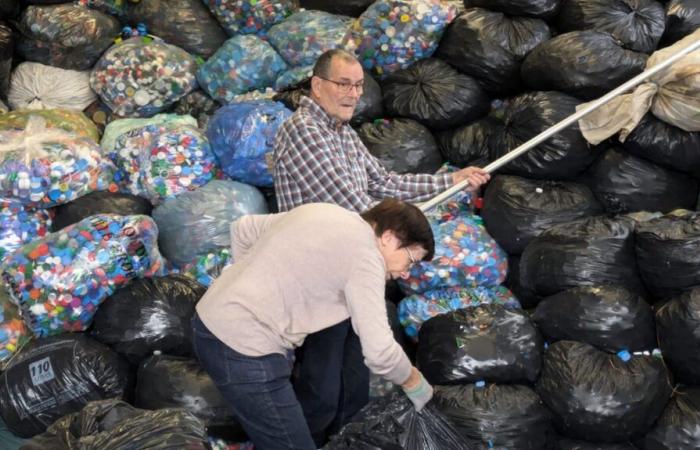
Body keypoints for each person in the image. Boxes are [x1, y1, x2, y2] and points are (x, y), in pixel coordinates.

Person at [272, 48, 491, 445]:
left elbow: (384, 183)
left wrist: (452, 181)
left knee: (353, 385)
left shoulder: (344, 134)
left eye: (358, 85)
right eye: (344, 84)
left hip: (352, 273)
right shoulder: (303, 130)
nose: (353, 94)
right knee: (322, 389)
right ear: (317, 86)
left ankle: (345, 442)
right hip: (316, 279)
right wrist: (400, 239)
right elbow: (353, 207)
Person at [192, 199, 438, 450]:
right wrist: (414, 382)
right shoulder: (367, 258)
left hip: (209, 320)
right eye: (410, 260)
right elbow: (380, 352)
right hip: (243, 349)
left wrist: (247, 283)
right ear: (388, 237)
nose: (406, 272)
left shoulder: (322, 212)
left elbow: (243, 228)